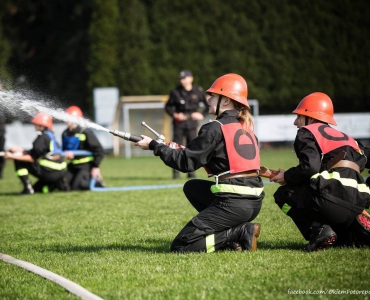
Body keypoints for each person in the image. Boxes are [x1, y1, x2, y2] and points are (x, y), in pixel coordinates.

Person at [135, 73, 264, 253]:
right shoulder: (246, 128)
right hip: (253, 202)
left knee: (181, 246)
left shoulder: (214, 128)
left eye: (213, 96)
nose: (208, 99)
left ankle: (238, 232)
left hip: (234, 203)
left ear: (226, 101)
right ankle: (232, 234)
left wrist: (154, 146)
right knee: (192, 186)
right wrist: (170, 147)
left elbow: (185, 163)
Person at [271, 92, 370, 251]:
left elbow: (310, 168)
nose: (296, 122)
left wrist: (287, 177)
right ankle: (353, 232)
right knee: (343, 239)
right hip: (358, 203)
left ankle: (318, 231)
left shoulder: (308, 132)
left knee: (283, 195)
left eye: (299, 116)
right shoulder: (349, 139)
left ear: (311, 118)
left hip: (330, 201)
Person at [4, 112, 68, 194]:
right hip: (60, 172)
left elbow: (31, 158)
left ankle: (28, 188)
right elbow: (37, 152)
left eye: (36, 123)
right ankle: (55, 185)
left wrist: (12, 156)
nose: (34, 125)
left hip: (50, 172)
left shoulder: (42, 139)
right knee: (37, 189)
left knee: (19, 161)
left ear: (41, 125)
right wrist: (21, 150)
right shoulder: (50, 135)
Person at [165, 69, 209, 179]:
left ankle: (191, 172)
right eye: (181, 79)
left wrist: (201, 115)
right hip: (179, 123)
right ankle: (175, 173)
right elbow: (168, 107)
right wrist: (175, 115)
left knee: (192, 148)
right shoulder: (175, 92)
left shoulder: (198, 91)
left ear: (191, 78)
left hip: (192, 123)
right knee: (175, 147)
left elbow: (208, 106)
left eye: (184, 78)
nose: (182, 81)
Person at [62, 106, 105, 190]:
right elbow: (64, 149)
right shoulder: (65, 133)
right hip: (73, 165)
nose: (66, 120)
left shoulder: (86, 132)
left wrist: (95, 167)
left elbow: (99, 150)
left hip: (86, 166)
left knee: (77, 187)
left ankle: (97, 182)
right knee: (63, 185)